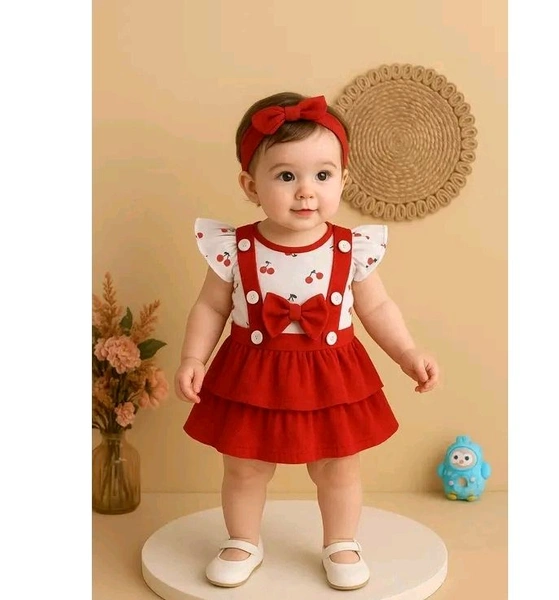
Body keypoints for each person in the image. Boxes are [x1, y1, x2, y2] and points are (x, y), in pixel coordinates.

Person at [174, 92, 440, 591]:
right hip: (253, 373)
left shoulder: (351, 248)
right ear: (250, 185)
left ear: (343, 180)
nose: (305, 192)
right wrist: (194, 357)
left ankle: (341, 542)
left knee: (338, 467)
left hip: (331, 373)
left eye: (322, 175)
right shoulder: (235, 248)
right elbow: (210, 307)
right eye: (285, 176)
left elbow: (377, 307)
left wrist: (407, 352)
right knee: (245, 466)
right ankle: (243, 540)